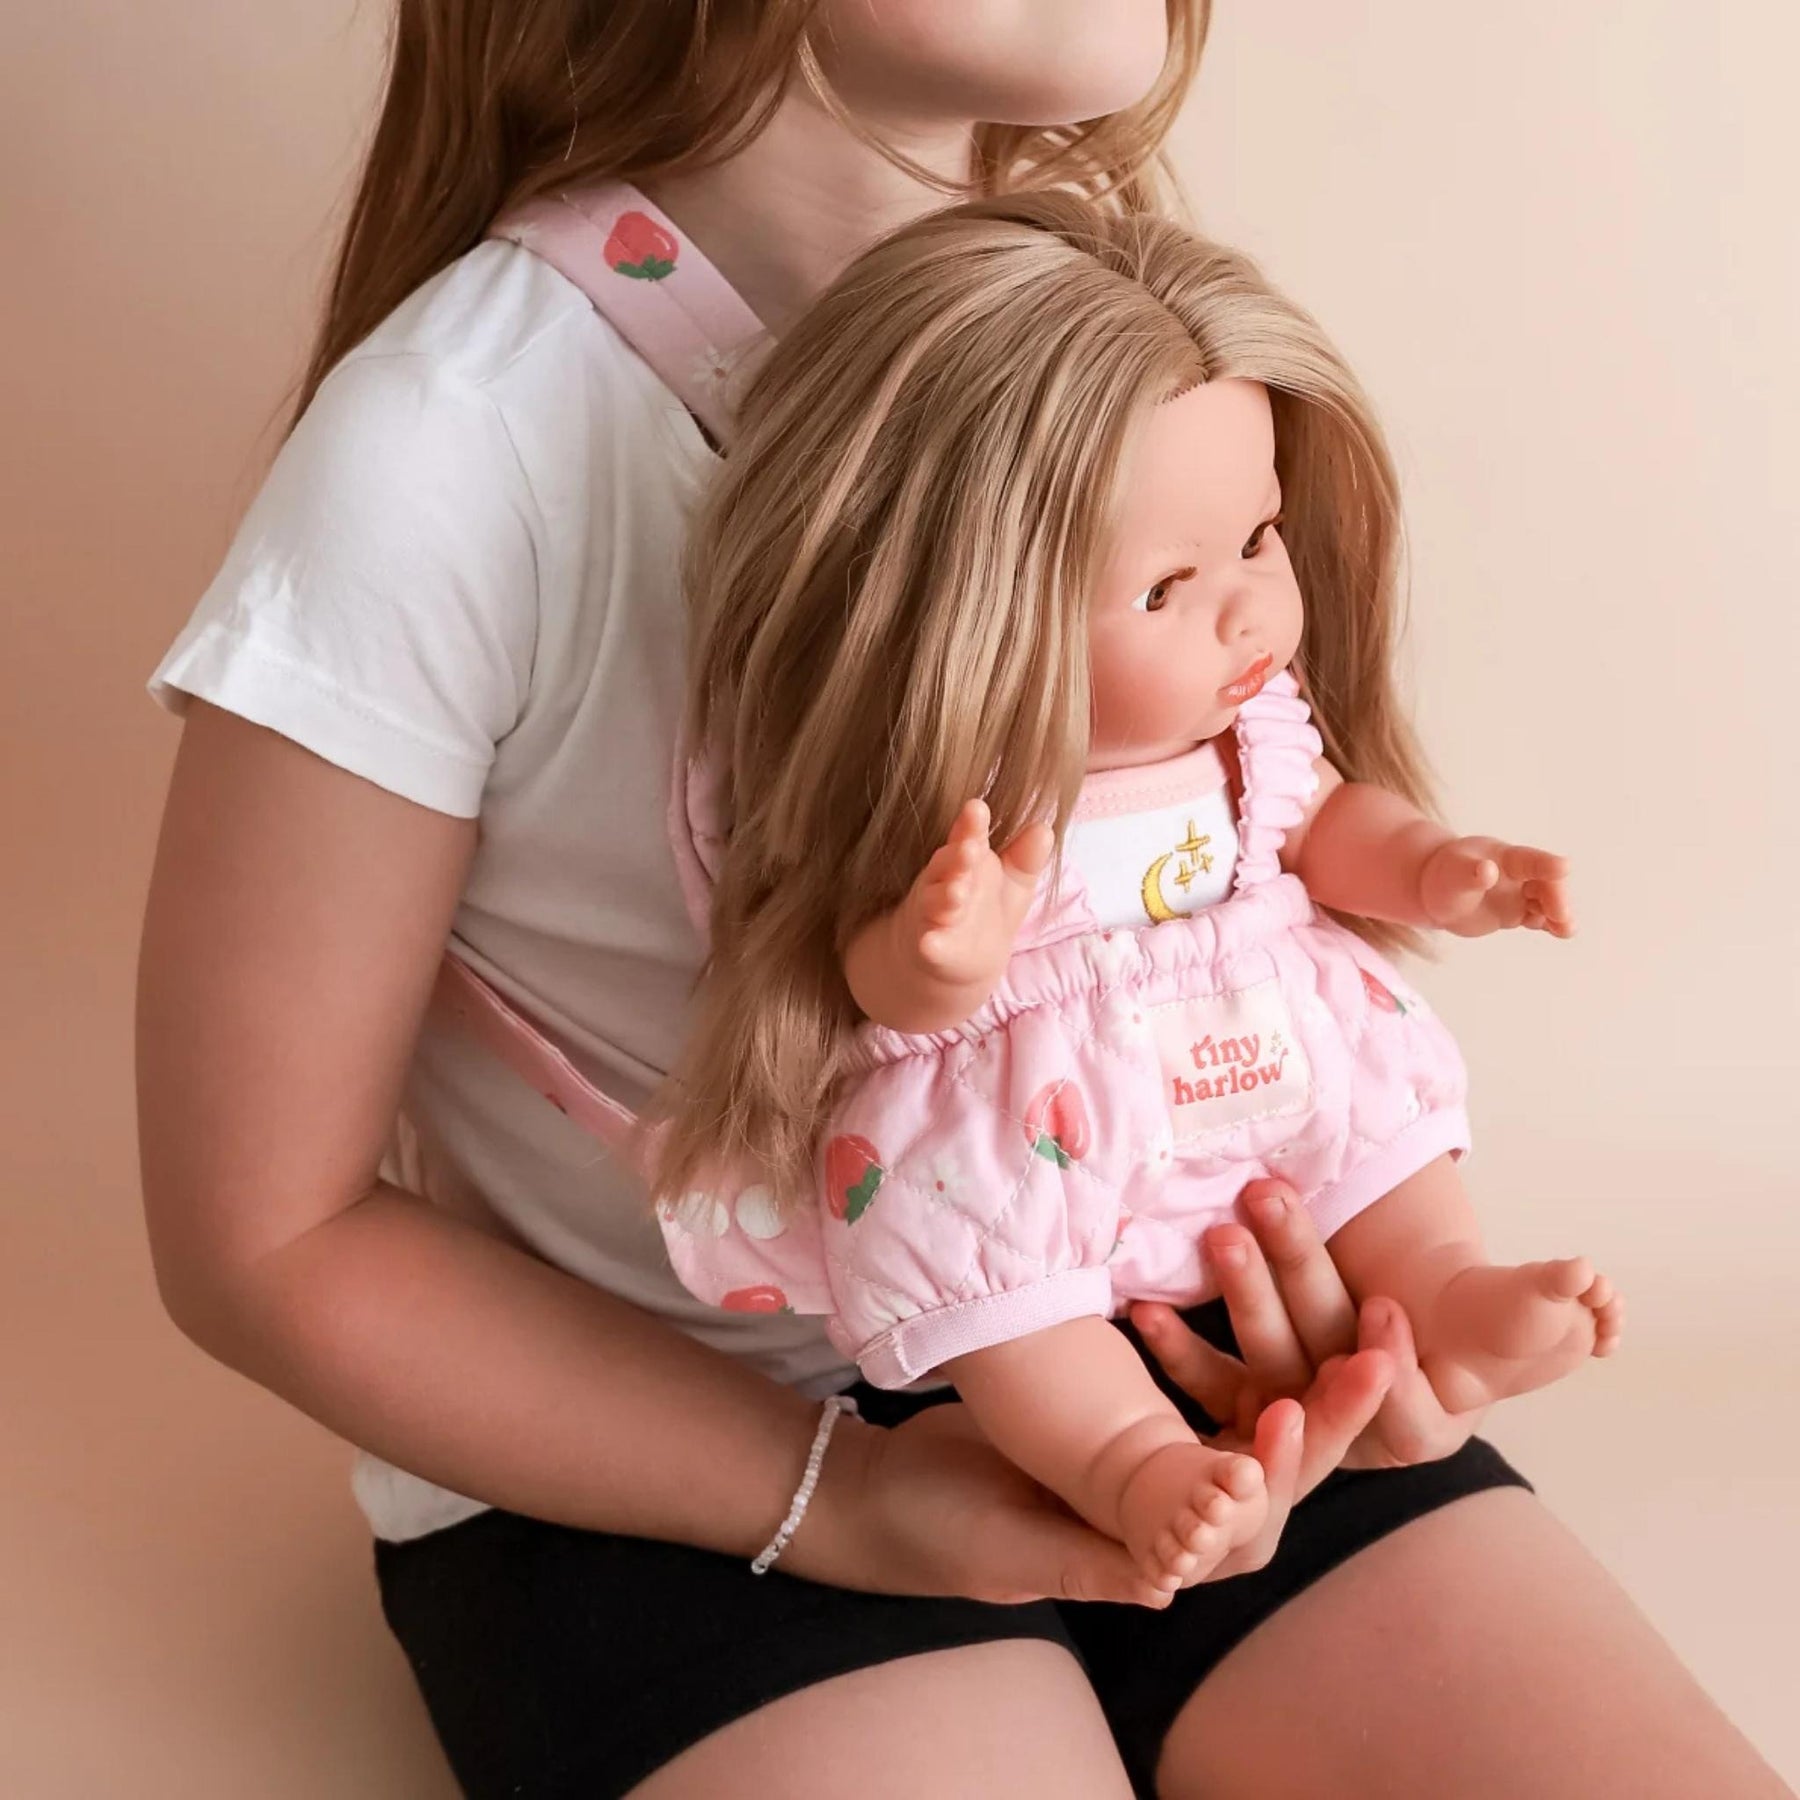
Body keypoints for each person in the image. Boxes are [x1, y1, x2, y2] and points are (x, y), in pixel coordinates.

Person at [132, 4, 1792, 1796]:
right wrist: (838, 1500)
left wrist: (1350, 1308)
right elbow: (268, 1238)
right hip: (671, 1468)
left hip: (1176, 1369)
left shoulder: (1117, 326)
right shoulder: (452, 454)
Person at [641, 191, 1622, 1593]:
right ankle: (1130, 1460)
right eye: (1168, 587)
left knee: (1388, 1152)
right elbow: (870, 985)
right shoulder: (970, 793)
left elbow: (1324, 827)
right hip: (1039, 1127)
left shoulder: (1252, 735)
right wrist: (942, 955)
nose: (1247, 610)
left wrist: (1437, 870)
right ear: (969, 615)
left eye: (1259, 540)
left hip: (1269, 1052)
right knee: (1011, 1301)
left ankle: (1446, 1304)